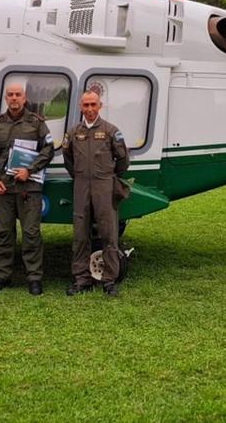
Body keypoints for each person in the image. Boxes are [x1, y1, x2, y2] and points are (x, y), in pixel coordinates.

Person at [0, 81, 54, 295]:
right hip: (3, 188)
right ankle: (3, 276)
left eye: (18, 95)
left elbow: (48, 148)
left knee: (31, 233)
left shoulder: (36, 122)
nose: (14, 98)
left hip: (28, 189)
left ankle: (34, 278)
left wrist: (30, 170)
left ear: (24, 98)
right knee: (4, 233)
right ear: (6, 98)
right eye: (10, 95)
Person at [62, 89, 130, 296]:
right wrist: (80, 176)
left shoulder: (111, 131)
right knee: (81, 234)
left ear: (100, 106)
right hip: (81, 186)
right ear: (80, 107)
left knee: (108, 233)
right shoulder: (73, 133)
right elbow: (68, 160)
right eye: (86, 105)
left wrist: (106, 176)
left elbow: (123, 160)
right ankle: (81, 279)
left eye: (93, 104)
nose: (90, 109)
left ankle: (109, 279)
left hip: (104, 186)